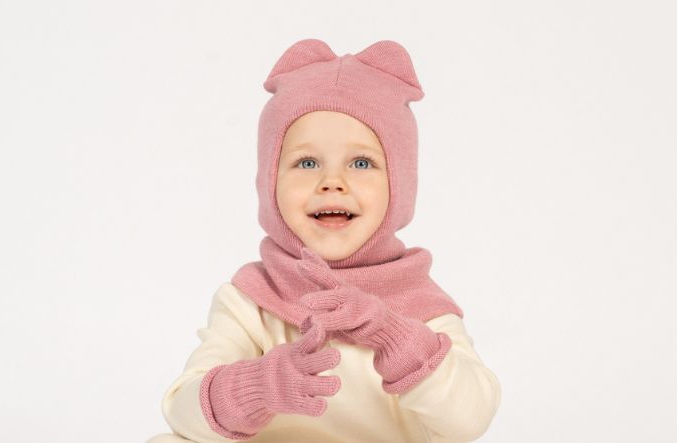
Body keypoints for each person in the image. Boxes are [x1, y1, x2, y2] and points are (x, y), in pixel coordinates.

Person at [147, 38, 501, 443]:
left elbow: (471, 419)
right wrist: (257, 386)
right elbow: (181, 410)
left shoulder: (419, 304)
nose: (332, 182)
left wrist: (391, 333)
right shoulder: (251, 300)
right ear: (269, 182)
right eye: (307, 162)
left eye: (362, 162)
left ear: (400, 185)